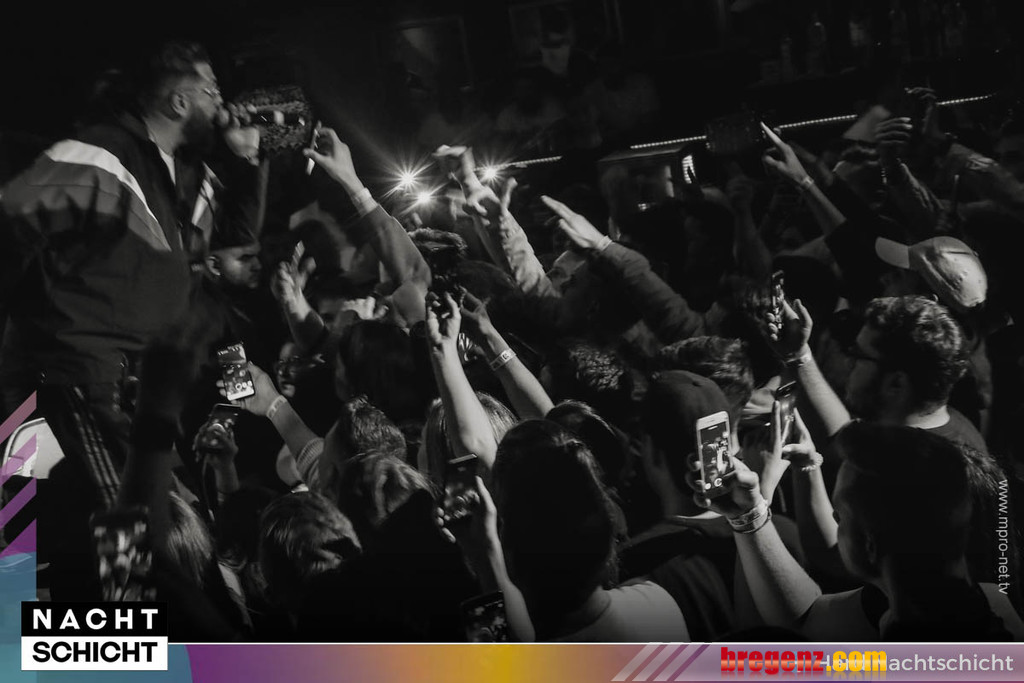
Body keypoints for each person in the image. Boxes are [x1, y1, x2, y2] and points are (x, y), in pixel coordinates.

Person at [0, 41, 265, 600]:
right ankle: (129, 637)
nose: (223, 104)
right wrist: (43, 327)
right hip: (79, 375)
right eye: (212, 90)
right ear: (177, 101)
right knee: (131, 528)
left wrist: (245, 161)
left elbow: (239, 251)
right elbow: (12, 218)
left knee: (135, 528)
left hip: (136, 386)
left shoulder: (182, 176)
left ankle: (117, 626)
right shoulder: (102, 154)